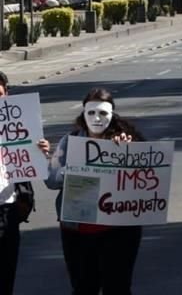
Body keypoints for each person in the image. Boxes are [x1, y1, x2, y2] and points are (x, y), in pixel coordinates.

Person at [45, 88, 144, 295]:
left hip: (119, 230)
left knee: (117, 287)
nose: (97, 118)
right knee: (83, 287)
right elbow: (52, 181)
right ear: (83, 114)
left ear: (112, 115)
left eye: (103, 113)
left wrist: (128, 152)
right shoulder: (69, 142)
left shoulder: (126, 141)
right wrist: (79, 168)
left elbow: (142, 180)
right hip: (78, 230)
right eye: (91, 113)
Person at [0, 73, 49, 295]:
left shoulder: (18, 126)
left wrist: (41, 152)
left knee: (6, 276)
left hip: (8, 213)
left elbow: (38, 167)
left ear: (6, 95)